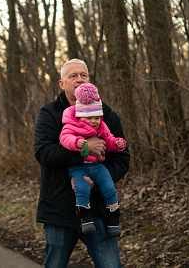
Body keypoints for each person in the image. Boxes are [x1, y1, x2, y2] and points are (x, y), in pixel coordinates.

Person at [34, 59, 130, 268]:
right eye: (73, 76)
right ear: (62, 83)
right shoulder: (50, 114)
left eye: (83, 75)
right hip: (59, 209)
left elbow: (122, 158)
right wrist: (85, 149)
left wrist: (97, 181)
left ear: (89, 80)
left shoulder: (106, 114)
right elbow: (43, 153)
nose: (79, 79)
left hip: (97, 209)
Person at [59, 82, 126, 237]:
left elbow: (108, 140)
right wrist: (77, 143)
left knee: (109, 187)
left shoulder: (102, 127)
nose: (94, 121)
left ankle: (113, 217)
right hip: (78, 167)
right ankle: (85, 218)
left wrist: (116, 144)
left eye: (97, 117)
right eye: (90, 117)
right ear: (81, 117)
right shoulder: (72, 126)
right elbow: (65, 138)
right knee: (81, 189)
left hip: (97, 166)